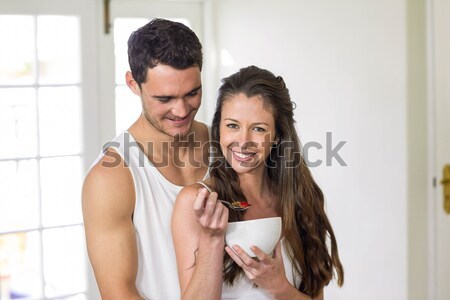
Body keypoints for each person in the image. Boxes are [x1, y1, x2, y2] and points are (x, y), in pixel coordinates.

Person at [172, 65, 344, 300]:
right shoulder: (197, 202)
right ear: (219, 129)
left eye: (258, 129)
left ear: (277, 137)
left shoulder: (301, 199)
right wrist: (212, 239)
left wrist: (279, 287)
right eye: (232, 125)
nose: (243, 142)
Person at [82, 18, 210, 299]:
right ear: (133, 83)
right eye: (164, 99)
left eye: (192, 93)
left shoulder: (225, 147)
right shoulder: (111, 177)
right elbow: (119, 294)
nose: (181, 110)